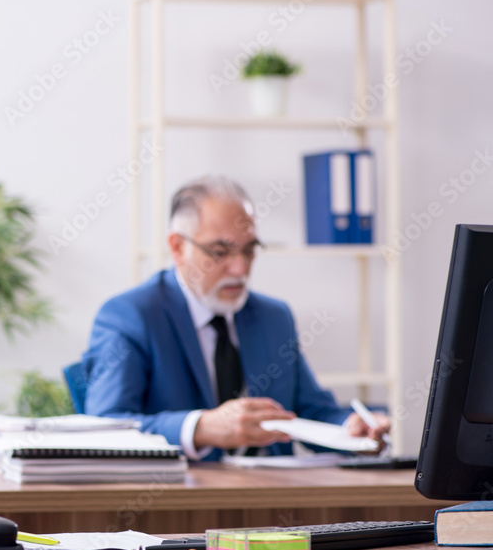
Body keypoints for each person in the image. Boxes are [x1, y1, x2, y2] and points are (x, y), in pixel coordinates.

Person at [81, 176, 390, 461]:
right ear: (177, 247)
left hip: (273, 496)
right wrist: (200, 428)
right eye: (219, 252)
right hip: (177, 497)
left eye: (249, 250)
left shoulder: (274, 318)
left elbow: (313, 412)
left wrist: (351, 427)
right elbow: (106, 428)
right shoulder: (131, 316)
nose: (240, 269)